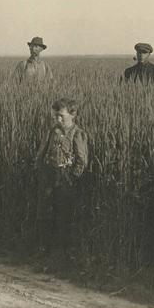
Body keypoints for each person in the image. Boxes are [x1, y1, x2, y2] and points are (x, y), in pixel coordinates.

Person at [36, 98, 89, 257]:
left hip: (65, 177)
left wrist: (72, 177)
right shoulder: (52, 131)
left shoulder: (77, 134)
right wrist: (40, 167)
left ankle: (63, 250)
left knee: (63, 212)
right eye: (55, 116)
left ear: (73, 115)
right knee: (45, 210)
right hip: (49, 174)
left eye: (61, 116)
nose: (58, 119)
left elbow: (82, 160)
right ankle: (44, 247)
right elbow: (42, 151)